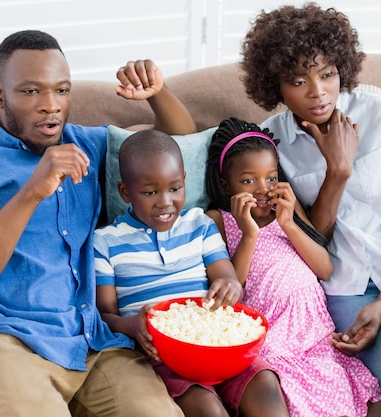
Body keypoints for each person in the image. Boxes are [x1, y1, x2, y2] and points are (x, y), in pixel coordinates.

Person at [0, 29, 197, 417]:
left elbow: (181, 144)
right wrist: (31, 192)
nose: (50, 105)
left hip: (100, 344)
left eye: (61, 90)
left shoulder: (87, 143)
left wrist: (157, 94)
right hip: (17, 345)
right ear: (1, 96)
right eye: (31, 91)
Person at [240, 4, 381, 417]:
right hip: (346, 289)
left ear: (342, 68)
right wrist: (338, 171)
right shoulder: (272, 143)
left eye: (327, 74)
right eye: (298, 81)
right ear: (277, 86)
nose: (318, 92)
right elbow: (313, 235)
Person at [93, 129, 290, 417]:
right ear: (125, 192)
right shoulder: (106, 242)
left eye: (175, 189)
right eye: (150, 192)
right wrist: (134, 326)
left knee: (265, 386)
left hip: (221, 346)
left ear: (185, 180)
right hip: (166, 359)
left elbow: (228, 279)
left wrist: (230, 287)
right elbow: (104, 315)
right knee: (208, 410)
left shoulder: (199, 224)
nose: (165, 202)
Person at [204, 117, 381, 417]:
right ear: (226, 185)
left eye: (271, 178)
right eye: (248, 181)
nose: (263, 189)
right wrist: (249, 232)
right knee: (295, 400)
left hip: (314, 334)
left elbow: (325, 269)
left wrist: (289, 224)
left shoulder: (286, 211)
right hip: (271, 337)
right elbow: (231, 288)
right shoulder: (220, 221)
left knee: (371, 402)